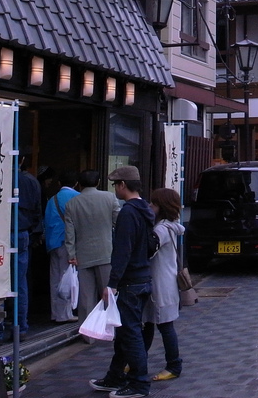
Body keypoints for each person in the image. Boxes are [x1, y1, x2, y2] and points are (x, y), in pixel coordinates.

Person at [89, 165, 155, 397]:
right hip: (143, 276)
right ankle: (115, 376)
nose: (115, 188)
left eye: (116, 184)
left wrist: (112, 283)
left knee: (130, 333)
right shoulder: (145, 209)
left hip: (129, 281)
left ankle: (139, 383)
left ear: (123, 185)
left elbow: (122, 251)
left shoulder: (128, 212)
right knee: (126, 332)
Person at [66, 169, 121, 325]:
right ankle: (111, 327)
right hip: (106, 252)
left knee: (86, 297)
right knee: (109, 293)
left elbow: (69, 233)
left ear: (80, 184)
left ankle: (88, 333)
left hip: (83, 255)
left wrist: (71, 254)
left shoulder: (72, 204)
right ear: (97, 182)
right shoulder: (109, 198)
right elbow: (119, 221)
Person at [142, 188, 185, 383]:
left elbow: (149, 250)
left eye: (153, 203)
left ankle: (173, 365)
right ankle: (137, 360)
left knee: (163, 326)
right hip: (164, 282)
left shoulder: (161, 229)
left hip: (161, 285)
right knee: (149, 324)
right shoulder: (170, 225)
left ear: (162, 206)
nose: (150, 206)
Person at [13, 155, 43, 338]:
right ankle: (21, 326)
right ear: (23, 159)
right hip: (23, 231)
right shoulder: (31, 181)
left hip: (0, 232)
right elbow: (37, 210)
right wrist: (36, 233)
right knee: (21, 280)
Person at [45, 170, 80, 323]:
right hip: (68, 243)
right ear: (76, 183)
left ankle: (55, 312)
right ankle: (66, 313)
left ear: (59, 183)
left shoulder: (52, 199)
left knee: (55, 278)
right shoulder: (77, 198)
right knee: (68, 278)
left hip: (53, 243)